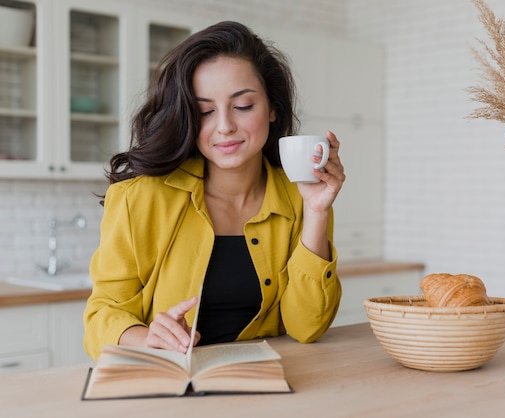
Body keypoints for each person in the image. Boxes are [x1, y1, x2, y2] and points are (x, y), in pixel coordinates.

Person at [83, 21, 345, 360]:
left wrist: (317, 211)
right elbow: (99, 318)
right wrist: (145, 336)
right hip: (167, 387)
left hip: (259, 386)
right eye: (205, 111)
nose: (224, 126)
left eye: (243, 105)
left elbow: (307, 326)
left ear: (272, 109)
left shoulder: (301, 197)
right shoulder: (139, 199)